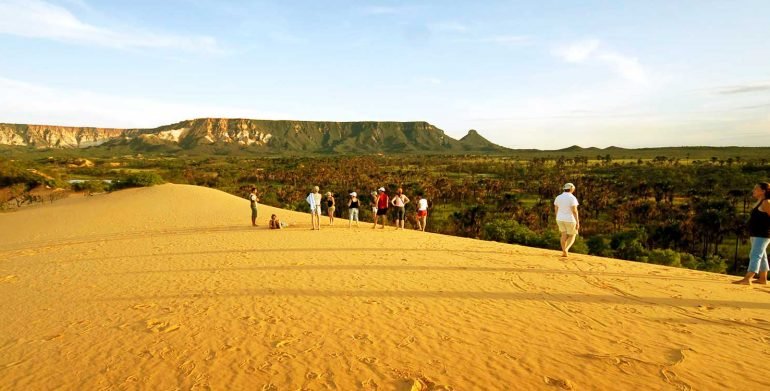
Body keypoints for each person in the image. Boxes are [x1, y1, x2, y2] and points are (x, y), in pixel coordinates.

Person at [734, 182, 770, 285]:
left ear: (763, 191)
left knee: (755, 255)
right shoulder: (760, 201)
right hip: (756, 234)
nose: (753, 190)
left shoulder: (767, 202)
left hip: (763, 234)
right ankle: (763, 279)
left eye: (756, 189)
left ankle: (748, 278)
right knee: (761, 256)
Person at [554, 183, 580, 258]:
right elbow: (574, 211)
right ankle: (566, 249)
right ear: (571, 189)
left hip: (559, 219)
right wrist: (577, 222)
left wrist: (557, 217)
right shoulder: (572, 198)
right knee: (572, 235)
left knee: (563, 234)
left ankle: (564, 251)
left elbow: (556, 209)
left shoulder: (558, 197)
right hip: (570, 219)